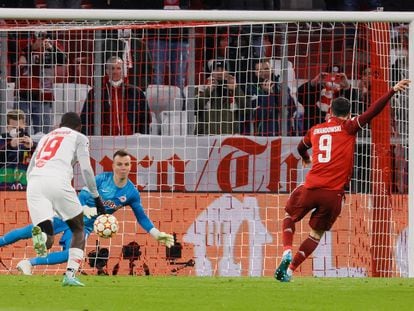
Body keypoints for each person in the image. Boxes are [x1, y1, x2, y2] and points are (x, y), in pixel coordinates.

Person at [274, 79, 410, 282]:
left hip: (311, 187)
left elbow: (301, 148)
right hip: (333, 194)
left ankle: (286, 250)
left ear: (330, 112)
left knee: (288, 216)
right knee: (316, 234)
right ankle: (291, 270)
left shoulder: (316, 130)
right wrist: (391, 91)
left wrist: (305, 158)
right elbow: (373, 111)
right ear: (348, 114)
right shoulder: (348, 127)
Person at [7, 149, 174, 275]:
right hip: (69, 216)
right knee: (29, 231)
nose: (123, 168)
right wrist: (83, 208)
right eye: (119, 164)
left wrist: (156, 233)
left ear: (130, 166)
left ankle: (28, 263)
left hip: (85, 227)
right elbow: (84, 195)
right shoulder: (102, 179)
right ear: (113, 166)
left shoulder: (131, 193)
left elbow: (142, 217)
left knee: (70, 254)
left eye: (127, 164)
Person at [25, 111, 104, 286]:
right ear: (79, 126)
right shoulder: (79, 137)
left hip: (35, 183)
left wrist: (35, 189)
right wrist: (96, 197)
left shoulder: (46, 137)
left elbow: (31, 167)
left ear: (60, 125)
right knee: (78, 228)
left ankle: (43, 238)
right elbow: (86, 169)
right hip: (58, 181)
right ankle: (70, 275)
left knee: (48, 240)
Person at [81, 56, 151, 135]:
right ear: (107, 71)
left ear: (123, 71)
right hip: (104, 140)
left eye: (118, 68)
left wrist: (141, 136)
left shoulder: (136, 92)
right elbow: (85, 119)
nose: (115, 71)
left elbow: (145, 118)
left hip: (130, 139)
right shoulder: (95, 93)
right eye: (112, 68)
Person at [16, 31, 67, 135]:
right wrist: (31, 48)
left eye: (43, 34)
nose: (41, 37)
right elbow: (16, 55)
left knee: (42, 134)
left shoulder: (52, 45)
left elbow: (64, 60)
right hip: (24, 94)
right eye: (39, 35)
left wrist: (51, 48)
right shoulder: (24, 40)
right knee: (20, 132)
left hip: (44, 95)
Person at [196, 59, 247, 135]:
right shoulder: (201, 88)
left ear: (227, 72)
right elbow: (194, 108)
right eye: (216, 69)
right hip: (205, 138)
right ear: (211, 72)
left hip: (228, 138)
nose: (219, 72)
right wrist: (208, 91)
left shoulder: (235, 88)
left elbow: (246, 109)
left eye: (222, 69)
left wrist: (235, 89)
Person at [297, 64, 350, 134]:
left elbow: (355, 104)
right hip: (314, 134)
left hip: (337, 135)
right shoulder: (316, 91)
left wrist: (347, 87)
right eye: (330, 76)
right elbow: (300, 95)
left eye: (337, 77)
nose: (333, 79)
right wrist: (314, 81)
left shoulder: (344, 94)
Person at [0, 110, 36, 190]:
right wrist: (10, 146)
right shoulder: (1, 141)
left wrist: (32, 147)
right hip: (3, 189)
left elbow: (40, 163)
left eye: (19, 128)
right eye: (13, 128)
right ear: (7, 127)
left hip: (25, 189)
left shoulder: (32, 144)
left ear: (25, 126)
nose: (16, 130)